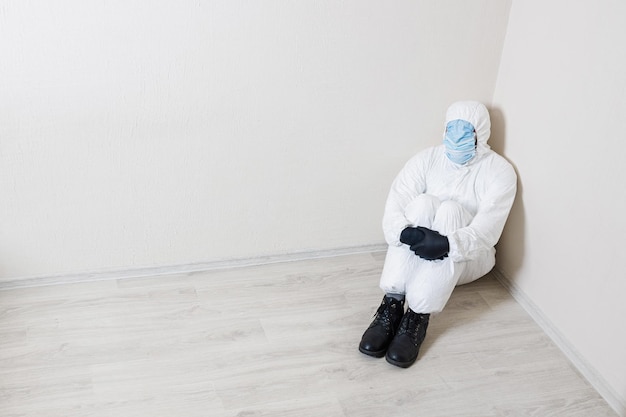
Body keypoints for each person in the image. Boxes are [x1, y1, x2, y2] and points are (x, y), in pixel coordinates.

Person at [359, 100, 517, 368]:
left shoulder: (499, 171)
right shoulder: (428, 158)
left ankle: (417, 317)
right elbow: (397, 202)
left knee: (451, 211)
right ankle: (392, 304)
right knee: (422, 204)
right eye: (452, 129)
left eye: (465, 131)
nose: (457, 137)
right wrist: (405, 232)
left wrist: (448, 243)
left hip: (466, 259)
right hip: (417, 251)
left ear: (481, 133)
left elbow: (488, 229)